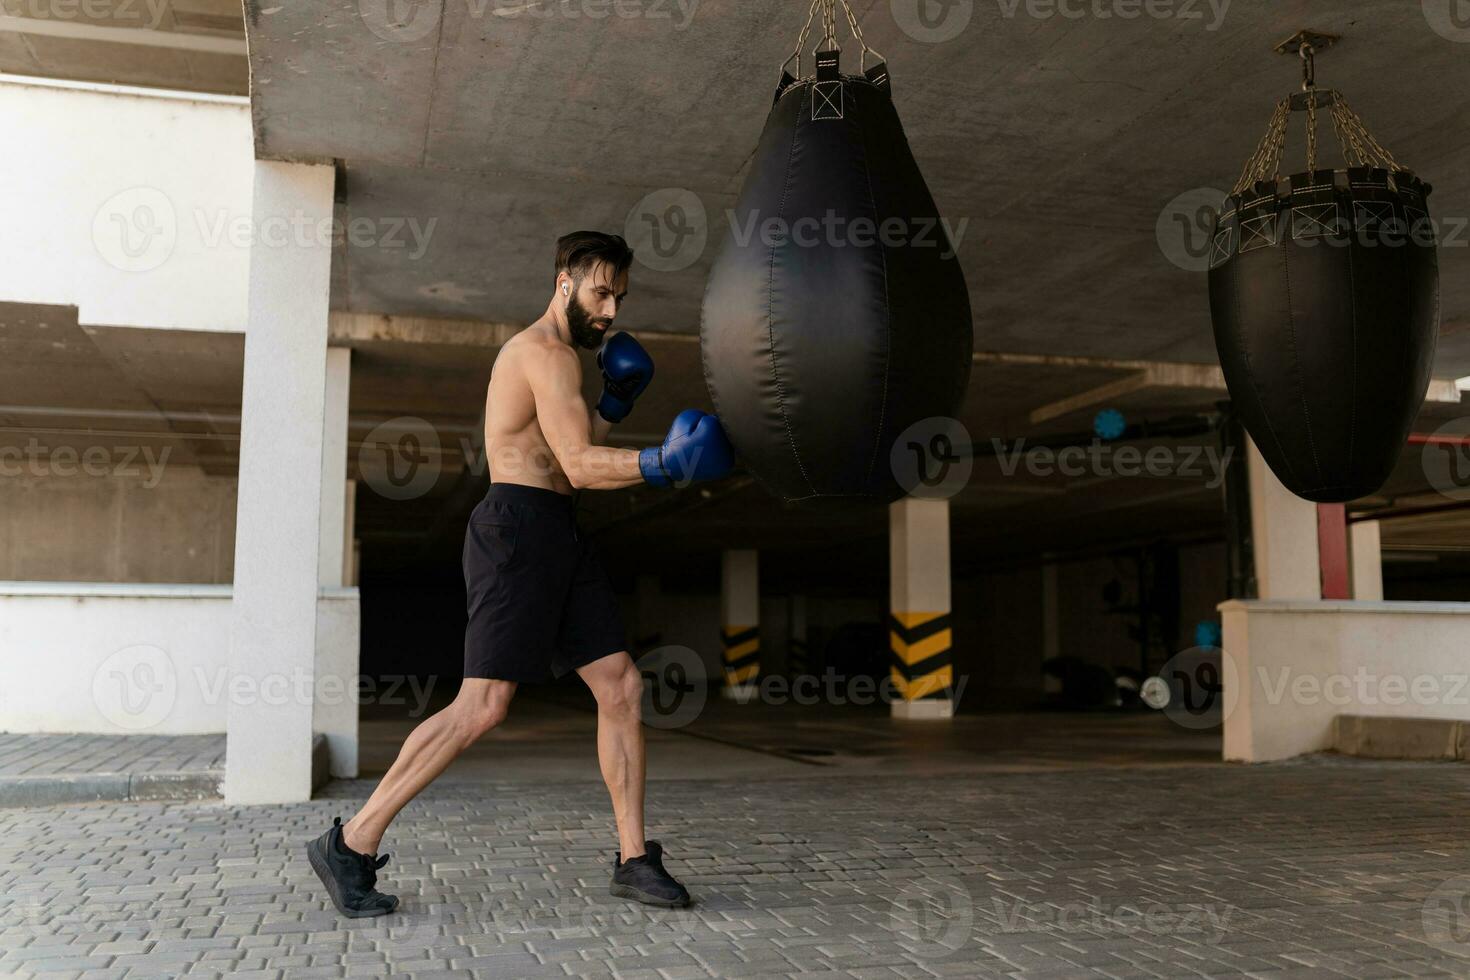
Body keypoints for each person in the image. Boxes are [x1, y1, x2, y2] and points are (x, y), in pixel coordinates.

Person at [307, 231, 734, 918]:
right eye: (601, 294)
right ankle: (350, 843)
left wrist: (618, 404)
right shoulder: (538, 353)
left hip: (558, 532)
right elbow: (578, 465)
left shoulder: (564, 360)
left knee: (621, 684)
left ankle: (633, 857)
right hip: (516, 532)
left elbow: (569, 442)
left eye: (618, 298)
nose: (610, 312)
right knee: (484, 706)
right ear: (564, 283)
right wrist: (667, 462)